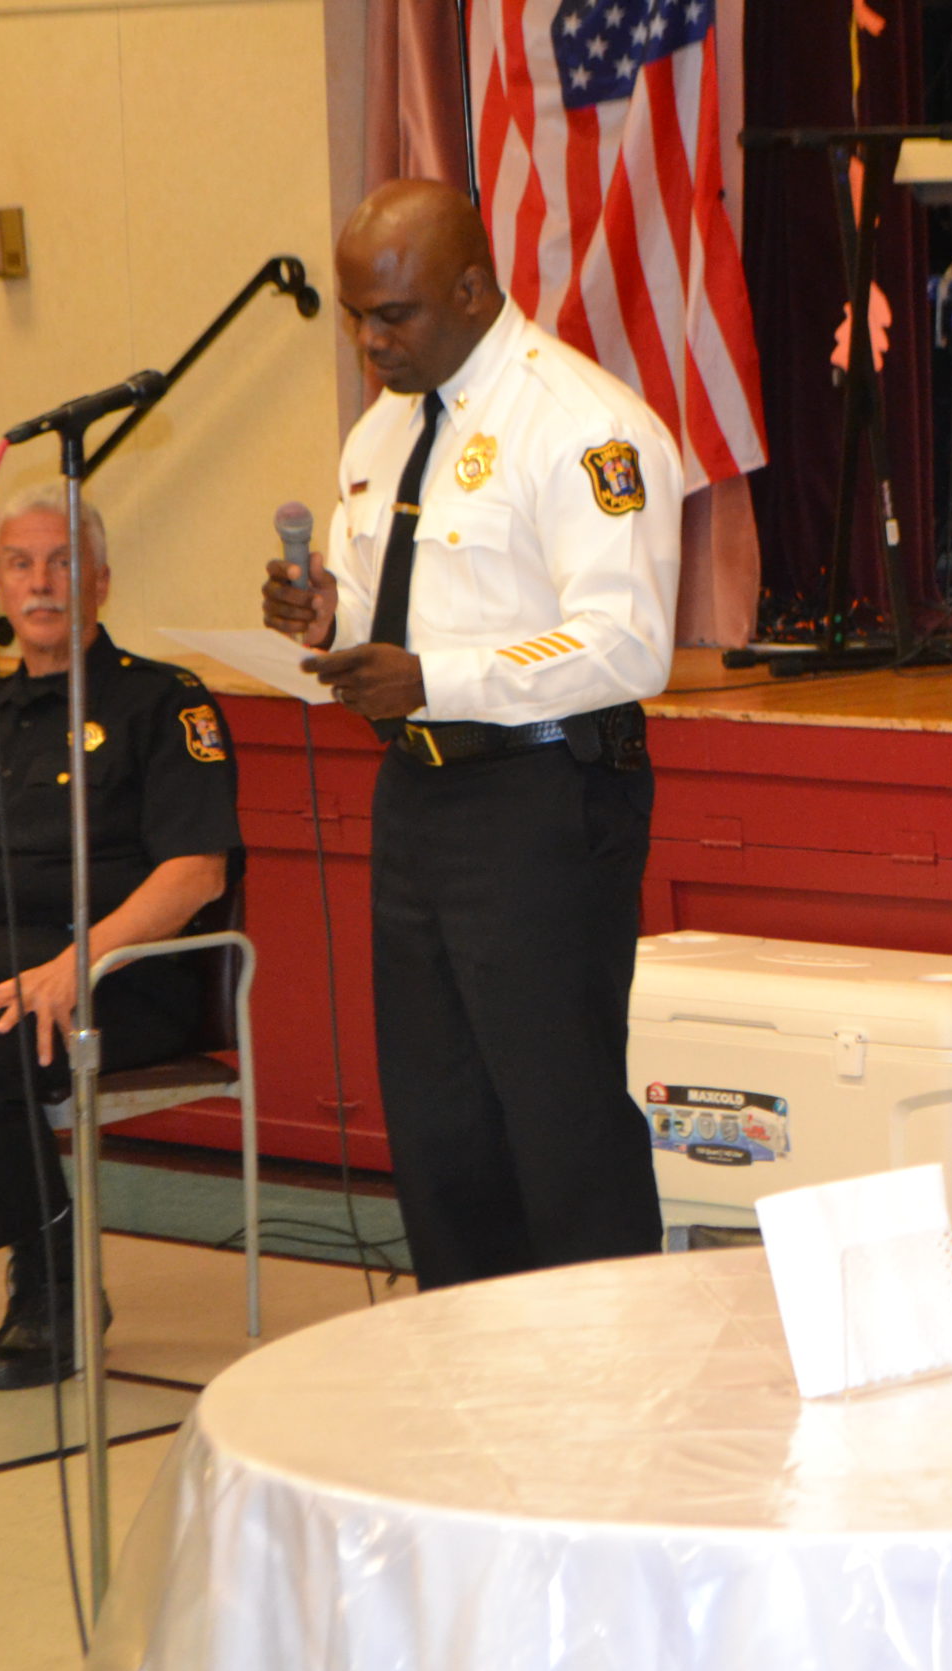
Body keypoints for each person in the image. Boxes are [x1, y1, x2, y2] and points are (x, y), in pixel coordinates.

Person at [260, 179, 680, 1289]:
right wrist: (329, 618)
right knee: (438, 1117)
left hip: (543, 796)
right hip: (418, 794)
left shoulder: (583, 425)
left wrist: (431, 679)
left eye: (393, 314)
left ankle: (609, 1357)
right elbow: (387, 608)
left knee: (555, 1109)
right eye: (356, 314)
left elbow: (629, 644)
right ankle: (464, 1353)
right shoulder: (382, 431)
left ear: (473, 290)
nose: (369, 341)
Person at [0, 487, 239, 1389]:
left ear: (101, 582)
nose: (42, 581)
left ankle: (56, 1292)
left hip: (112, 976)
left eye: (63, 562)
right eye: (21, 564)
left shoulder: (162, 702)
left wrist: (73, 967)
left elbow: (196, 873)